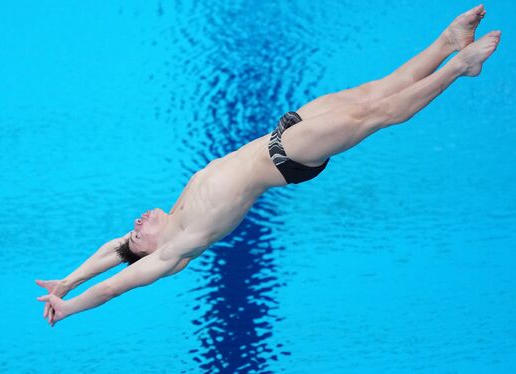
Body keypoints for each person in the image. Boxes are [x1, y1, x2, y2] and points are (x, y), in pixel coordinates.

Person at [36, 5, 500, 327]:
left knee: (375, 92)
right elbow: (115, 285)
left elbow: (112, 251)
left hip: (283, 132)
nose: (135, 224)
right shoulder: (171, 253)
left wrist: (68, 278)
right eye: (138, 234)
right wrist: (70, 305)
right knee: (379, 114)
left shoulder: (169, 222)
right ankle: (460, 66)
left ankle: (446, 43)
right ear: (151, 250)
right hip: (287, 157)